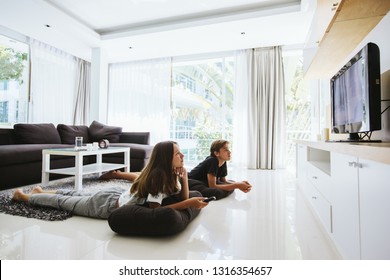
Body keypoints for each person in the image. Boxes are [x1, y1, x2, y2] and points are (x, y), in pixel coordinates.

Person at [12, 141, 208, 219]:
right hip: (107, 206)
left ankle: (40, 192)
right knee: (64, 202)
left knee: (74, 193)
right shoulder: (159, 177)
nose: (182, 156)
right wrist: (187, 203)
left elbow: (182, 193)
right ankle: (24, 197)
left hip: (117, 195)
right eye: (178, 153)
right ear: (166, 158)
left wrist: (184, 180)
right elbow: (155, 211)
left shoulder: (172, 174)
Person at [188, 140, 252, 200]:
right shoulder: (212, 161)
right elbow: (212, 186)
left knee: (231, 182)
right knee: (217, 192)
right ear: (216, 153)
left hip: (206, 181)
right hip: (192, 181)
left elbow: (223, 180)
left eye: (228, 149)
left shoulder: (223, 161)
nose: (229, 152)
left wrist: (240, 184)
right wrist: (237, 185)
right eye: (225, 150)